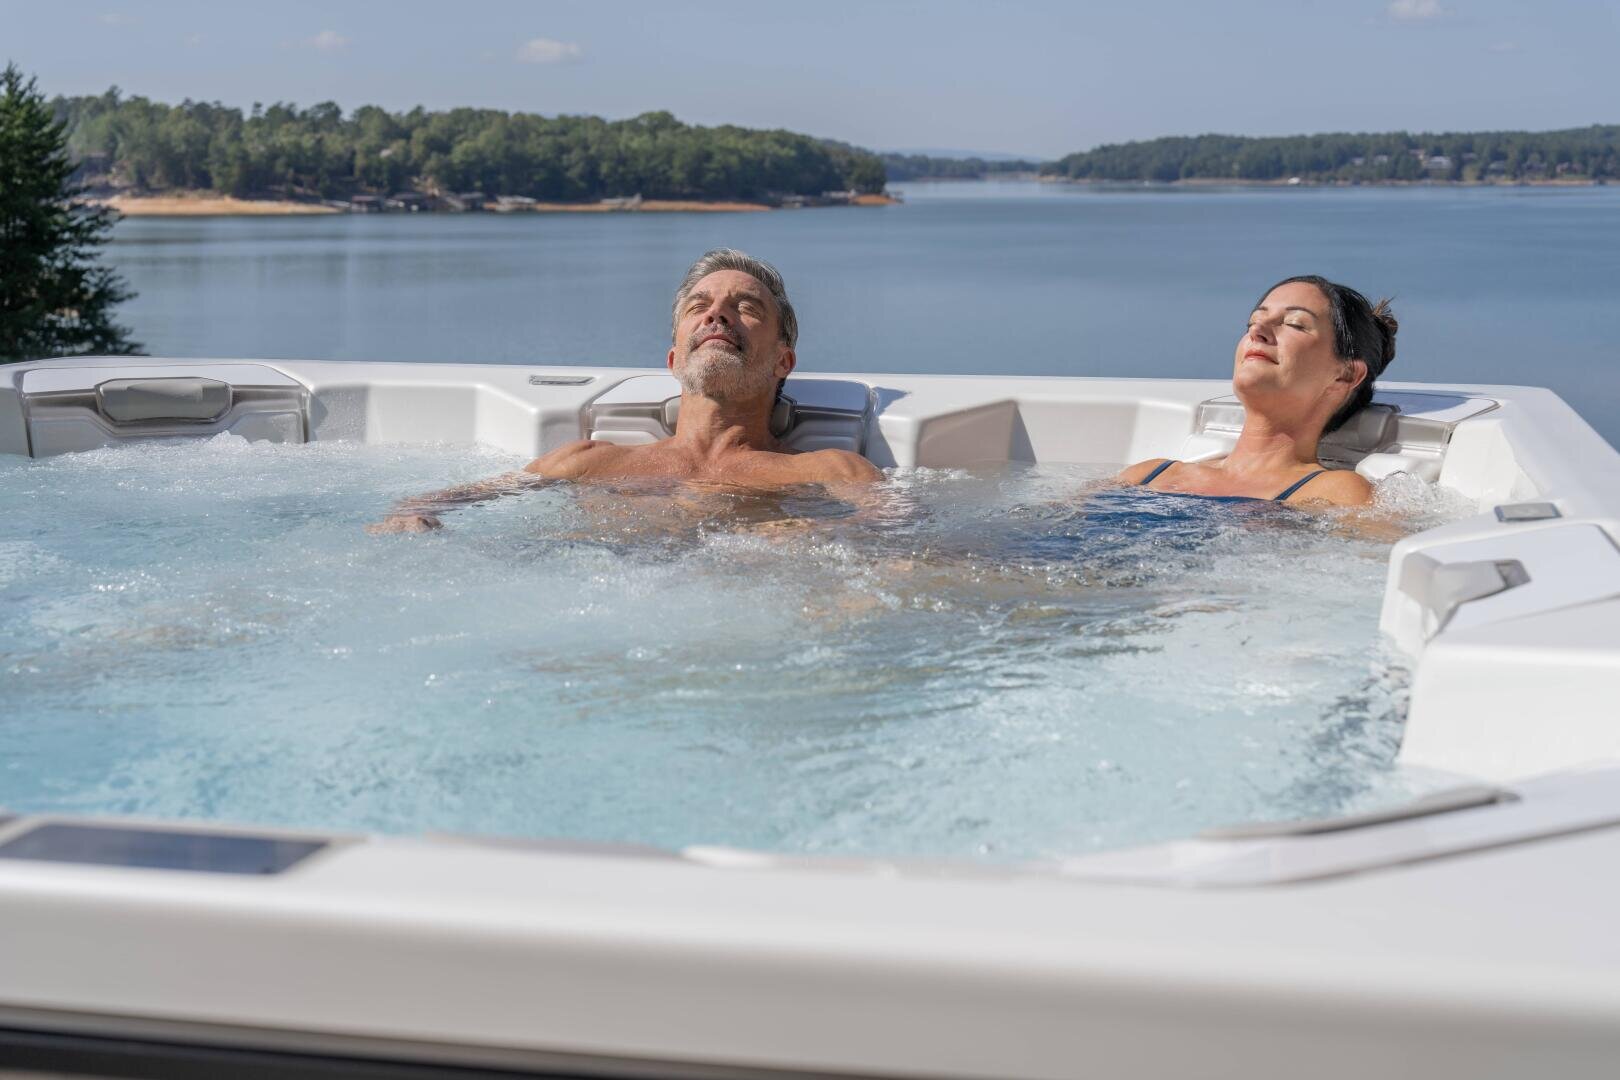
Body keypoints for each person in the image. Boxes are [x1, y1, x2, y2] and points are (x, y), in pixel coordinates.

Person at [370, 249, 881, 533]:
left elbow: (908, 544)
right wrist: (414, 515)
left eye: (746, 307)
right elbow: (440, 501)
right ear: (674, 360)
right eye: (697, 307)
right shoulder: (589, 462)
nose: (717, 314)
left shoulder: (830, 471)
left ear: (782, 361)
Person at [1118, 275, 1398, 507]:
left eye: (1295, 324)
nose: (1259, 330)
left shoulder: (1338, 492)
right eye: (1253, 321)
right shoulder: (1148, 474)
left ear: (1345, 374)